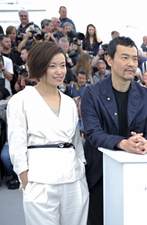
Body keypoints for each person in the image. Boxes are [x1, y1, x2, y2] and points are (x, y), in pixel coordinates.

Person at [81, 36, 147, 225]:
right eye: (125, 57)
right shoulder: (92, 93)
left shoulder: (145, 96)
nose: (131, 64)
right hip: (99, 174)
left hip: (137, 176)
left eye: (135, 59)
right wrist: (122, 143)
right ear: (109, 60)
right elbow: (93, 133)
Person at [7, 41, 88, 225]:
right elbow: (17, 145)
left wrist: (81, 169)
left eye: (62, 65)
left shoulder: (69, 102)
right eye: (52, 66)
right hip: (39, 181)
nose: (59, 71)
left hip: (74, 180)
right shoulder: (20, 100)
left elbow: (76, 143)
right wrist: (26, 181)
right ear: (39, 66)